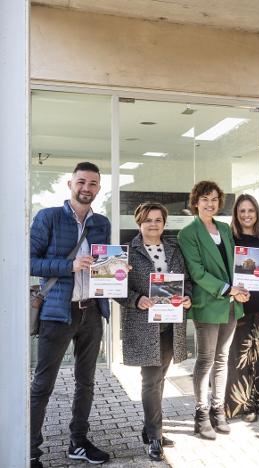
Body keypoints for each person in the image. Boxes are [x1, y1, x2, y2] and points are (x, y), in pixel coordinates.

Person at [30, 162, 111, 467]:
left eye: (92, 183)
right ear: (70, 184)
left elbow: (105, 265)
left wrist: (117, 271)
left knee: (86, 382)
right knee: (43, 384)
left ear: (98, 188)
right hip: (57, 313)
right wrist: (70, 265)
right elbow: (29, 261)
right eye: (81, 182)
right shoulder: (48, 217)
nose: (86, 188)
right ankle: (31, 450)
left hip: (90, 311)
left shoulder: (101, 223)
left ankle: (78, 441)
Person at [115, 202, 192, 461]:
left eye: (158, 220)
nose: (153, 224)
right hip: (144, 326)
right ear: (139, 222)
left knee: (160, 380)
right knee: (150, 382)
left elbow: (186, 282)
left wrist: (187, 298)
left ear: (164, 223)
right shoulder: (127, 253)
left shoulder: (173, 249)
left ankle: (151, 430)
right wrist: (136, 299)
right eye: (148, 219)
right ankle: (155, 437)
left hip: (170, 324)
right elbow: (114, 287)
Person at [178, 181, 249, 440]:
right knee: (205, 360)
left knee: (222, 358)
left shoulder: (224, 229)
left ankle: (218, 409)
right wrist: (228, 289)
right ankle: (200, 413)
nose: (210, 203)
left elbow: (235, 266)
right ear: (196, 202)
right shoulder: (188, 233)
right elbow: (197, 273)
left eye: (215, 199)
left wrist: (241, 287)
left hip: (231, 304)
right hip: (208, 303)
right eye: (205, 199)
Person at [224, 194, 259, 422]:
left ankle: (258, 401)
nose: (246, 215)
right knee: (239, 356)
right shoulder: (230, 239)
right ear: (236, 214)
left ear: (257, 212)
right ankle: (239, 404)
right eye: (242, 211)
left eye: (250, 210)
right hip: (239, 306)